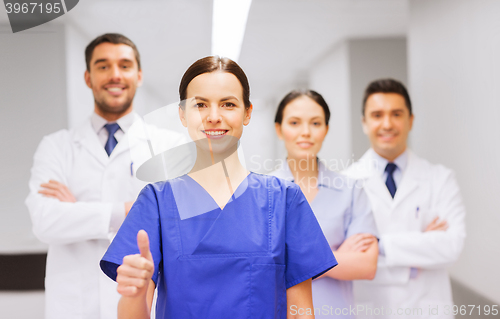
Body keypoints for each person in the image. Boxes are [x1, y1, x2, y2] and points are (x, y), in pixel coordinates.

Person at [99, 56, 338, 319]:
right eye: (200, 105)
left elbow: (301, 312)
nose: (214, 117)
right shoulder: (156, 202)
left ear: (247, 113)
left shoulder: (285, 200)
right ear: (182, 114)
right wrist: (133, 295)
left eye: (228, 104)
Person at [25, 33, 187, 319]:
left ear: (138, 75)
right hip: (73, 305)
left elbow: (174, 220)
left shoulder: (168, 145)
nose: (114, 75)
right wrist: (132, 209)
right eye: (103, 66)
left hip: (142, 302)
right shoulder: (56, 146)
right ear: (88, 77)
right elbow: (44, 220)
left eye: (124, 66)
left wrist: (76, 212)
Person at [343, 79, 466, 319]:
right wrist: (422, 243)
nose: (387, 124)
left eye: (396, 114)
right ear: (364, 123)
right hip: (369, 308)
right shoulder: (346, 182)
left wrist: (379, 245)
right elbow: (345, 255)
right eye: (377, 115)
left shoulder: (440, 178)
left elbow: (452, 246)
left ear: (410, 120)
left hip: (427, 309)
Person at [270, 90, 378, 318]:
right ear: (279, 129)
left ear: (326, 129)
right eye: (294, 122)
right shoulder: (262, 193)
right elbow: (262, 269)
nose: (306, 132)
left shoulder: (351, 190)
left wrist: (291, 262)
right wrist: (334, 257)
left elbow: (366, 265)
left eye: (316, 123)